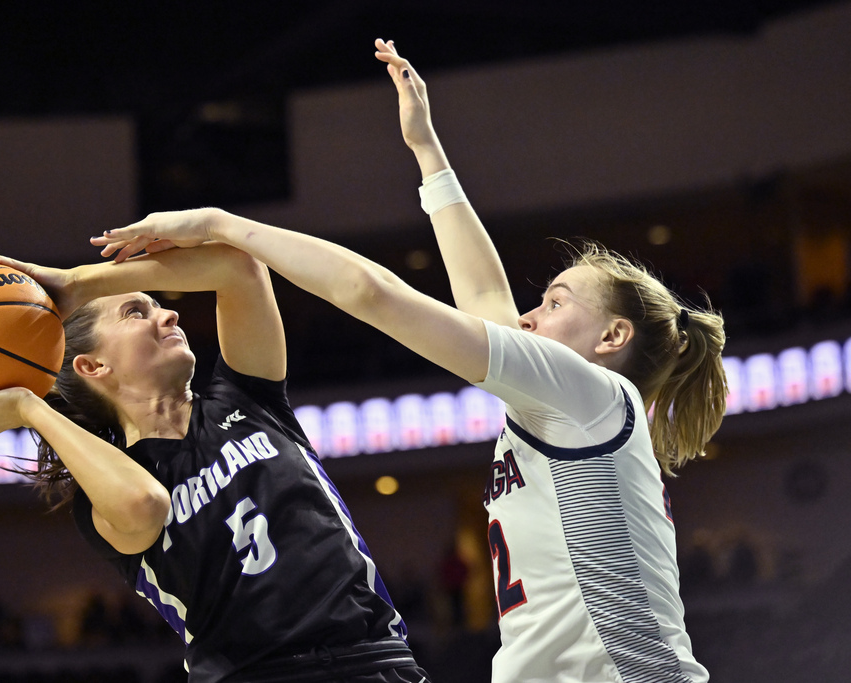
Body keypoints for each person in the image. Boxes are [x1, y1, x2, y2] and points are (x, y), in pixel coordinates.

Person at [90, 38, 728, 683]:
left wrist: (225, 224)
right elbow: (485, 302)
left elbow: (370, 293)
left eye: (556, 302)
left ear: (613, 338)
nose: (530, 318)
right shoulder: (565, 406)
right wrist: (428, 151)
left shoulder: (591, 397)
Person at [0, 243, 432, 683]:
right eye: (136, 313)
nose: (170, 315)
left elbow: (239, 268)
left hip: (372, 659)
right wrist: (28, 407)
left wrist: (80, 282)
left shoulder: (248, 399)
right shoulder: (107, 490)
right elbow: (144, 504)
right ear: (92, 365)